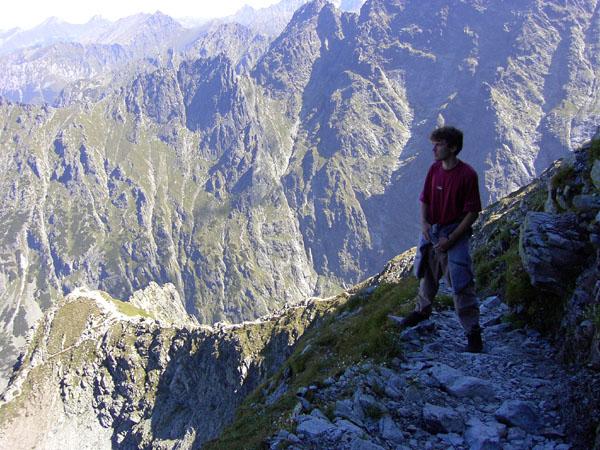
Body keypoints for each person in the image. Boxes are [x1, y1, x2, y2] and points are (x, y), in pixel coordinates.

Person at [401, 126, 483, 353]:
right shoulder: (434, 170)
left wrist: (453, 238)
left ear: (453, 147)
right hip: (433, 231)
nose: (434, 149)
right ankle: (421, 311)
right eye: (434, 145)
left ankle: (472, 332)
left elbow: (472, 212)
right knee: (427, 273)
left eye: (439, 145)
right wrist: (424, 224)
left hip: (454, 234)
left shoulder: (467, 175)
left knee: (460, 280)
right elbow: (424, 199)